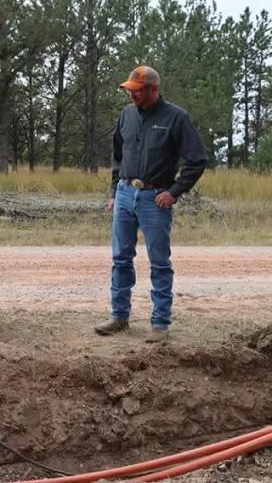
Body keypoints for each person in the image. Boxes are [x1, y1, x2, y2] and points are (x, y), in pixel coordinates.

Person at [95, 66, 208, 344]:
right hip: (124, 194)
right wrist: (114, 191)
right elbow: (117, 155)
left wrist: (174, 192)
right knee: (121, 258)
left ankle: (160, 323)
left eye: (136, 90)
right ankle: (119, 316)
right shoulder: (127, 115)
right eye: (129, 90)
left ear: (153, 90)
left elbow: (198, 159)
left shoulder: (176, 118)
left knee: (159, 262)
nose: (131, 95)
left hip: (155, 198)